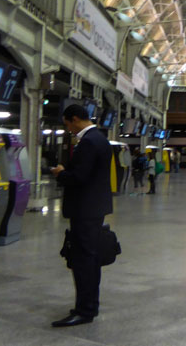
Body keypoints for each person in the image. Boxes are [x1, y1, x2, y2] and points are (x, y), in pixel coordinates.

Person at [50, 105, 113, 327]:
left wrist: (61, 174)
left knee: (83, 260)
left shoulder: (88, 142)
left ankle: (84, 310)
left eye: (68, 124)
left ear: (75, 119)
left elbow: (79, 177)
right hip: (94, 208)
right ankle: (89, 305)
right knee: (90, 258)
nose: (68, 129)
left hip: (85, 209)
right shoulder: (100, 138)